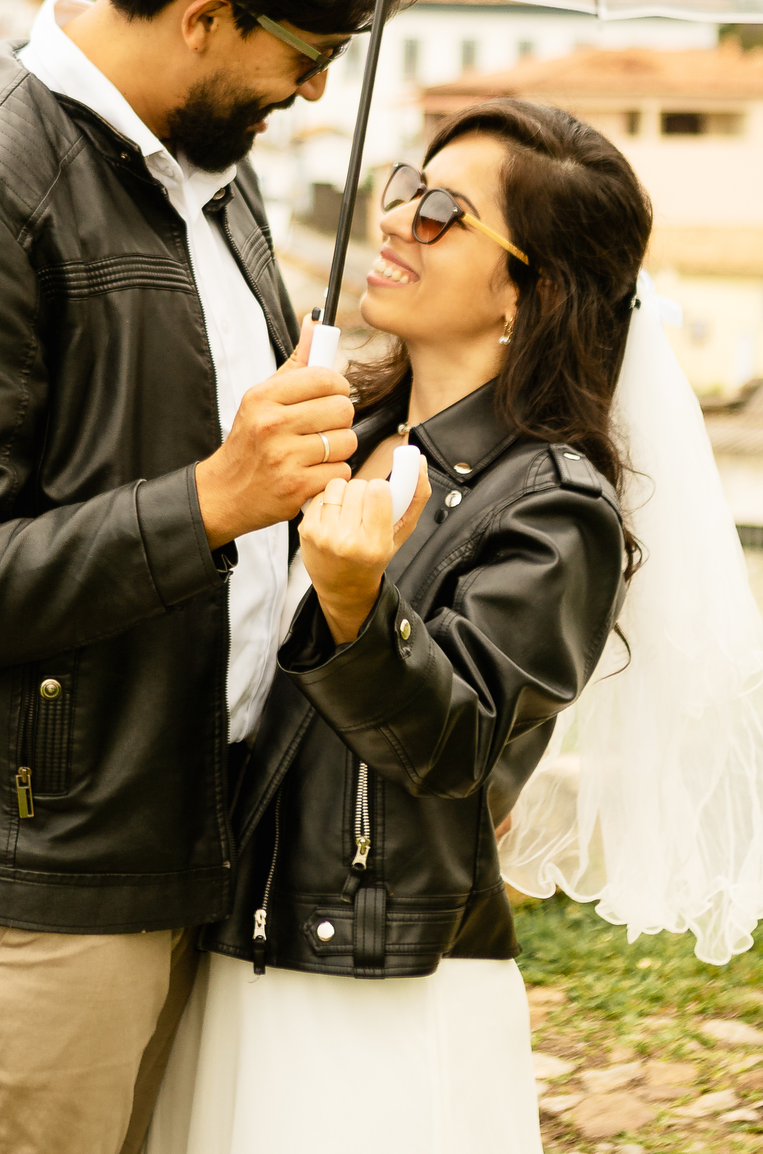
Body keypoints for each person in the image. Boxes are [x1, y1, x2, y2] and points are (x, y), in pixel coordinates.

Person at [0, 0, 410, 1154]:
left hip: (189, 839)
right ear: (205, 15)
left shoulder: (214, 175)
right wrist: (214, 498)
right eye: (308, 53)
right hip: (32, 890)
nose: (313, 94)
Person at [148, 98, 655, 1154]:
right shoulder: (334, 433)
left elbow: (457, 745)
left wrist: (355, 606)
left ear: (530, 290)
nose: (395, 219)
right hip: (240, 932)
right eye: (406, 187)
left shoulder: (556, 508)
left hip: (374, 977)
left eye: (442, 214)